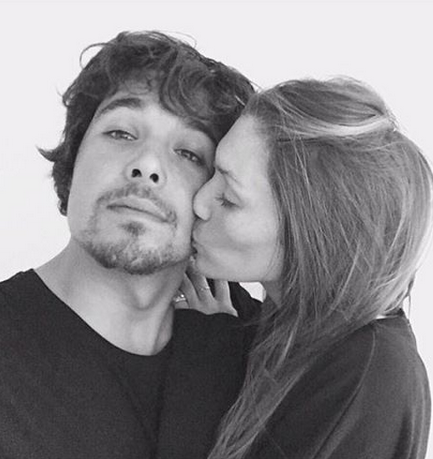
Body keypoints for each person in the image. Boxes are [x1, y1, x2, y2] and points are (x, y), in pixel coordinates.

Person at [0, 31, 257, 459]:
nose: (147, 166)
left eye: (189, 153)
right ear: (73, 160)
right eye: (121, 133)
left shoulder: (266, 351)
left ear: (218, 196)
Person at [185, 77, 433, 459]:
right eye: (211, 173)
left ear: (310, 229)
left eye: (229, 199)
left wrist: (208, 360)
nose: (200, 202)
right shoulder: (271, 327)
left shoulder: (367, 374)